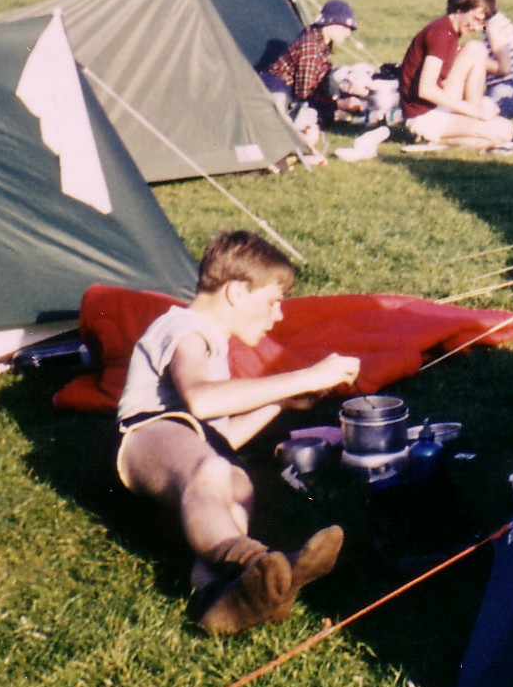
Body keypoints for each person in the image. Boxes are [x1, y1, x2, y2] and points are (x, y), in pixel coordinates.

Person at [115, 230, 362, 636]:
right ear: (235, 292)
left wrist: (280, 403)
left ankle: (225, 595)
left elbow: (221, 438)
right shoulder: (184, 329)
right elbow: (201, 402)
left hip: (194, 448)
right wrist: (307, 375)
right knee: (212, 473)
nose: (277, 315)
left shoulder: (212, 342)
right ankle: (259, 563)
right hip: (147, 435)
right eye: (272, 301)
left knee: (234, 487)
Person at [398, 0, 513, 148]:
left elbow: (503, 68)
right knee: (505, 131)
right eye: (475, 19)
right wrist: (474, 111)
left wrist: (478, 105)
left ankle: (454, 133)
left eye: (481, 23)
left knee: (476, 48)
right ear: (460, 8)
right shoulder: (441, 35)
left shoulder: (448, 31)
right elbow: (426, 89)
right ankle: (434, 138)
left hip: (434, 108)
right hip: (424, 115)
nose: (476, 27)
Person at [261, 0, 365, 125]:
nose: (348, 34)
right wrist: (339, 104)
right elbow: (304, 94)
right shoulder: (311, 48)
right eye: (344, 28)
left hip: (288, 92)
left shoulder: (320, 42)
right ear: (330, 24)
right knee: (307, 116)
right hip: (278, 91)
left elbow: (319, 86)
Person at [477, 0, 513, 121]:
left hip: (507, 91)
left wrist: (472, 60)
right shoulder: (499, 21)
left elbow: (505, 68)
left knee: (478, 117)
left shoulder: (493, 27)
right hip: (512, 91)